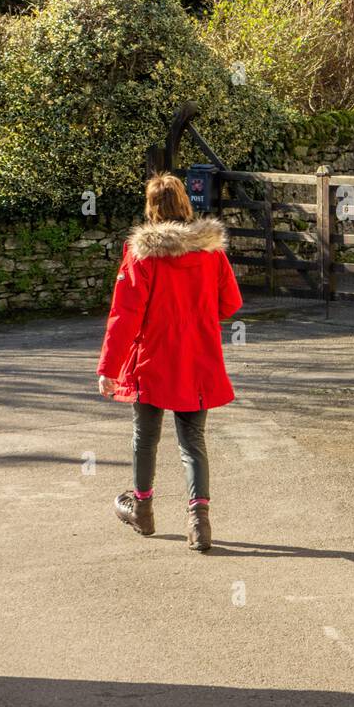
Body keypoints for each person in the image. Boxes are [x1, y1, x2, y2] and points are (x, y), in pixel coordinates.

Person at [97, 174, 242, 552]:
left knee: (145, 437)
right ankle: (199, 522)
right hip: (198, 357)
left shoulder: (141, 254)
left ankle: (142, 511)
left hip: (152, 359)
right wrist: (200, 314)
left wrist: (108, 368)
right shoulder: (211, 251)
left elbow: (125, 314)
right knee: (192, 442)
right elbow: (231, 303)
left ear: (151, 208)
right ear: (184, 204)